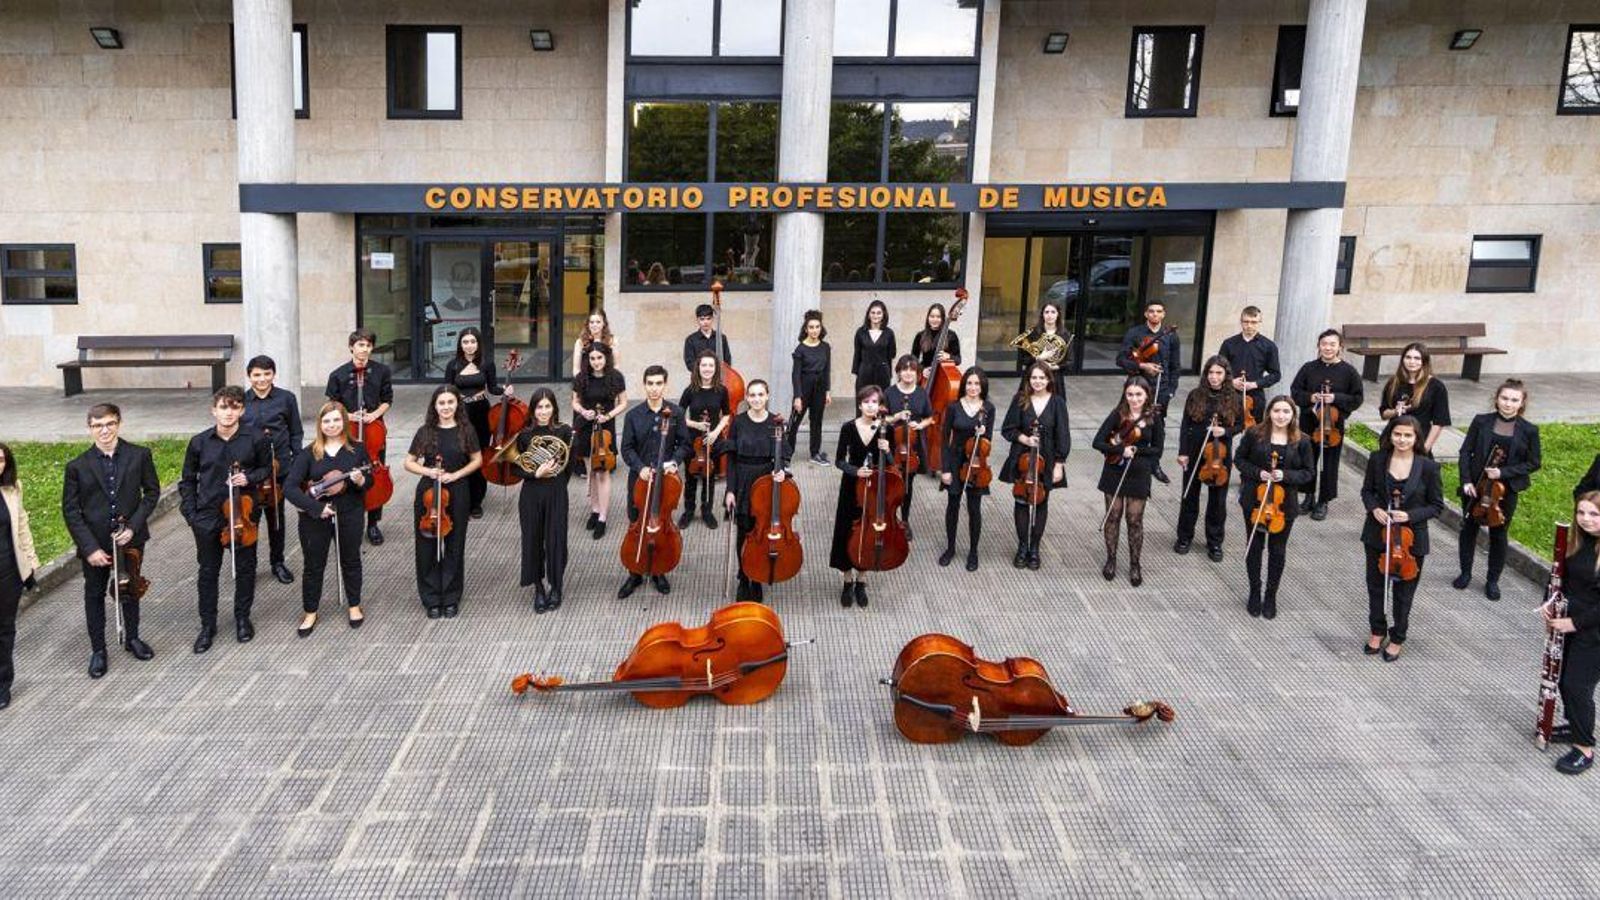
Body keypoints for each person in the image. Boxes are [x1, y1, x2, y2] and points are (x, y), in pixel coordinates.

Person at [62, 403, 160, 678]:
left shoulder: (140, 455)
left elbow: (151, 493)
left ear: (118, 423)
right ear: (90, 428)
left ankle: (132, 638)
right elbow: (71, 511)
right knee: (94, 595)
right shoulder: (77, 466)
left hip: (130, 539)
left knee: (129, 588)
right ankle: (98, 650)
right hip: (95, 543)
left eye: (109, 424)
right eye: (97, 425)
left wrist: (134, 527)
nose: (104, 430)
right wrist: (89, 548)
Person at [179, 386, 273, 652]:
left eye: (234, 407)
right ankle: (207, 625)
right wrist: (191, 515)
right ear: (214, 410)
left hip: (242, 513)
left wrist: (250, 477)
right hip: (207, 515)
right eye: (223, 407)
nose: (228, 412)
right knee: (208, 572)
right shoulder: (199, 442)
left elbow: (266, 468)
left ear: (242, 410)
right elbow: (187, 481)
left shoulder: (256, 438)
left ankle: (242, 617)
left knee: (245, 567)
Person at [1359, 417, 1444, 662]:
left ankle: (1398, 637)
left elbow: (1436, 506)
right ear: (1390, 434)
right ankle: (1377, 631)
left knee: (1404, 592)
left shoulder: (1428, 467)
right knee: (1375, 585)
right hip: (1378, 533)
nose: (1402, 440)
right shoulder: (1377, 459)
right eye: (1397, 434)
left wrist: (1409, 515)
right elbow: (1367, 491)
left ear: (1416, 438)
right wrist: (1374, 508)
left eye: (1408, 436)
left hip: (1412, 539)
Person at [283, 402, 368, 636]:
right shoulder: (309, 453)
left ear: (344, 422)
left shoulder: (357, 449)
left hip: (349, 513)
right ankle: (310, 611)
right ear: (320, 424)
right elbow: (290, 487)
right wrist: (315, 508)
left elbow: (368, 484)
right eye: (327, 421)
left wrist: (361, 481)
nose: (332, 425)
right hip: (315, 517)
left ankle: (354, 605)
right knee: (313, 565)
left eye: (336, 420)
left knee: (351, 560)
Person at [1455, 379, 1541, 601]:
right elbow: (1466, 452)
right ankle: (1465, 573)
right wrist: (1466, 481)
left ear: (1521, 403)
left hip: (1505, 490)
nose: (1508, 404)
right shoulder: (1481, 421)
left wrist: (1503, 473)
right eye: (1504, 398)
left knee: (1499, 533)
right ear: (1496, 398)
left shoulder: (1529, 430)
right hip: (1476, 485)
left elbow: (1533, 463)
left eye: (1514, 400)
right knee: (1469, 528)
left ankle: (1492, 581)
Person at [404, 386, 481, 619]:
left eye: (450, 402)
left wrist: (456, 475)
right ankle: (431, 598)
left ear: (457, 404)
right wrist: (429, 471)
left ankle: (450, 596)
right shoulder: (425, 432)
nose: (446, 407)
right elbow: (409, 463)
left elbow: (477, 460)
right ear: (434, 406)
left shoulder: (466, 431)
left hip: (457, 489)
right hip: (429, 491)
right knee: (426, 545)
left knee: (455, 545)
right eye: (441, 403)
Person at [1234, 396, 1314, 619]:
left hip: (1284, 504)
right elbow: (1239, 460)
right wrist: (1258, 473)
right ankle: (1254, 591)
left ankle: (1270, 595)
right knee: (1254, 546)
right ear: (1269, 412)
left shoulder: (1302, 440)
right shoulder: (1254, 434)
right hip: (1255, 500)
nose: (1281, 416)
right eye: (1277, 411)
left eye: (1286, 412)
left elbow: (1309, 473)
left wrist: (1286, 475)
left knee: (1277, 551)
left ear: (1293, 415)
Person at [617, 364, 689, 599]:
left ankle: (658, 571)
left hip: (665, 483)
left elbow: (686, 445)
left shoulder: (676, 413)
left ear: (665, 385)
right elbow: (626, 448)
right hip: (639, 481)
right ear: (644, 385)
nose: (654, 389)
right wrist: (639, 468)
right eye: (650, 384)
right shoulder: (633, 415)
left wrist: (674, 462)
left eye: (659, 383)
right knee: (636, 523)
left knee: (661, 525)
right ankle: (635, 572)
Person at [1543, 492, 1600, 775]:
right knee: (1564, 682)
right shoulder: (1576, 543)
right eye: (1582, 513)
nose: (1586, 519)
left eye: (1594, 514)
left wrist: (1573, 623)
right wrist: (1548, 605)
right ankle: (1576, 725)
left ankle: (1584, 748)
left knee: (1578, 686)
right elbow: (1558, 578)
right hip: (1568, 622)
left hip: (1593, 632)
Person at [723, 380, 793, 602]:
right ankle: (744, 577)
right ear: (746, 397)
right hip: (742, 479)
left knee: (762, 533)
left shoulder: (776, 422)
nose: (756, 399)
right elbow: (732, 459)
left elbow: (785, 455)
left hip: (766, 481)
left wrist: (782, 471)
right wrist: (730, 490)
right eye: (752, 395)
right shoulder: (739, 422)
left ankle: (757, 576)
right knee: (744, 534)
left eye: (760, 394)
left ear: (767, 396)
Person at [1093, 376, 1165, 586]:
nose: (1134, 399)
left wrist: (1137, 450)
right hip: (1114, 469)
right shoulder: (1118, 414)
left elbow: (1158, 449)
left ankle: (1135, 564)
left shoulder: (1153, 417)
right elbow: (1097, 442)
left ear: (1147, 395)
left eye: (1139, 395)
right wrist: (1119, 449)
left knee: (1134, 520)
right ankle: (1111, 559)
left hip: (1139, 471)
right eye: (1130, 394)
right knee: (1113, 516)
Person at [999, 363, 1071, 570]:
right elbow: (1007, 429)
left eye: (1041, 378)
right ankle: (1022, 546)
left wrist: (1059, 464)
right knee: (1021, 502)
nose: (1037, 382)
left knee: (1041, 503)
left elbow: (1063, 436)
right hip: (1022, 458)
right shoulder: (1020, 400)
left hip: (1046, 460)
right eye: (1033, 378)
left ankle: (1035, 548)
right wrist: (1024, 438)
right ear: (1028, 380)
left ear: (1049, 379)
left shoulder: (1057, 403)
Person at [326, 328, 393, 544]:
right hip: (348, 430)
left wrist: (374, 415)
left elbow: (387, 400)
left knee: (374, 476)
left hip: (374, 430)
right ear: (351, 347)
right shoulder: (338, 374)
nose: (364, 349)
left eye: (368, 345)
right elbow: (332, 405)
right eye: (360, 345)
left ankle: (373, 524)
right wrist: (349, 416)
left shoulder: (381, 371)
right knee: (347, 474)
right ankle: (349, 520)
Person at [831, 386, 895, 608]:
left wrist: (886, 451)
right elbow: (839, 461)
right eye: (866, 402)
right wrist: (855, 471)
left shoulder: (887, 430)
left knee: (868, 532)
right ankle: (847, 581)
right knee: (846, 531)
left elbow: (892, 465)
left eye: (874, 402)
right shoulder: (848, 428)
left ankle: (862, 580)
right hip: (851, 487)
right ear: (859, 405)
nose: (870, 406)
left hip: (875, 489)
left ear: (880, 406)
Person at [1290, 328, 1364, 520]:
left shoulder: (1349, 371)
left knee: (1329, 463)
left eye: (1332, 344)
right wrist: (1311, 396)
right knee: (1307, 459)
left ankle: (1323, 500)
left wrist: (1335, 398)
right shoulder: (1308, 368)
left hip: (1333, 425)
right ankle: (1308, 496)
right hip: (1309, 422)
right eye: (1324, 344)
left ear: (1340, 347)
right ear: (1318, 346)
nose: (1328, 348)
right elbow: (1295, 391)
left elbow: (1357, 398)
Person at [1174, 356, 1243, 561]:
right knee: (1189, 497)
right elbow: (1186, 425)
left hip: (1219, 455)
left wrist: (1226, 431)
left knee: (1217, 502)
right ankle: (1184, 537)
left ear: (1226, 375)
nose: (1214, 377)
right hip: (1195, 450)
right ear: (1206, 374)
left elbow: (1241, 425)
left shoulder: (1234, 398)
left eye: (1218, 373)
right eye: (1211, 373)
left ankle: (1214, 542)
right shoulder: (1195, 395)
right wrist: (1183, 452)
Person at [241, 354, 302, 585]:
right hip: (253, 469)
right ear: (249, 376)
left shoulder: (287, 398)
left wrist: (296, 459)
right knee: (250, 517)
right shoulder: (242, 401)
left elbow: (295, 431)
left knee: (276, 518)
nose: (262, 379)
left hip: (280, 468)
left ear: (273, 375)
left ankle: (277, 562)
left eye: (267, 374)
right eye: (257, 375)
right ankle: (250, 565)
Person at [513, 388, 575, 613]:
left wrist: (554, 478)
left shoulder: (565, 431)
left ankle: (556, 587)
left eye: (548, 406)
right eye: (539, 407)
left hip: (556, 492)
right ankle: (538, 588)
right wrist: (535, 474)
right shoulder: (524, 435)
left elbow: (569, 465)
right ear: (533, 410)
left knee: (556, 540)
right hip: (531, 493)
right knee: (533, 540)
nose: (543, 411)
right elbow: (515, 469)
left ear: (554, 408)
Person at [444, 327, 509, 519]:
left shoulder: (486, 363)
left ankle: (476, 501)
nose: (469, 345)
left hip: (481, 412)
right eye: (465, 342)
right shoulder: (453, 365)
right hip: (460, 413)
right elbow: (446, 390)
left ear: (478, 344)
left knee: (478, 455)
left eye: (473, 342)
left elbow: (493, 387)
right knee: (459, 455)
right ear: (460, 344)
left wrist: (505, 390)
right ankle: (460, 498)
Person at [1116, 301, 1180, 484]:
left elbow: (1175, 366)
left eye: (1159, 311)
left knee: (1158, 428)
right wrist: (1142, 365)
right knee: (1129, 421)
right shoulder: (1134, 333)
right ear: (1145, 314)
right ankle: (1125, 457)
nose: (1155, 315)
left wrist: (1171, 391)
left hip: (1161, 388)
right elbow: (1120, 359)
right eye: (1151, 311)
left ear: (1163, 314)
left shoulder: (1171, 336)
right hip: (1137, 386)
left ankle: (1154, 464)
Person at [939, 367, 995, 572]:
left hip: (976, 464)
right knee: (952, 506)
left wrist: (984, 433)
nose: (973, 387)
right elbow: (945, 440)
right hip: (955, 461)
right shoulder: (954, 407)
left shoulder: (988, 408)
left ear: (983, 386)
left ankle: (973, 551)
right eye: (969, 383)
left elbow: (988, 443)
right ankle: (951, 548)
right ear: (964, 385)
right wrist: (945, 469)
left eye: (977, 384)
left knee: (974, 509)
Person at [0, 442, 41, 708]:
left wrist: (30, 563)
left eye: (1, 460)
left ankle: (3, 684)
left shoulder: (12, 489)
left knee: (5, 631)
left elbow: (22, 526)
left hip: (7, 573)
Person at [572, 343, 627, 539]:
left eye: (600, 358)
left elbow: (624, 403)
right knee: (591, 472)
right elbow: (575, 402)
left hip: (605, 430)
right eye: (593, 359)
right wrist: (582, 411)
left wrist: (609, 415)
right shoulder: (581, 378)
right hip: (587, 428)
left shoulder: (615, 377)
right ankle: (594, 510)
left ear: (606, 358)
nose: (596, 362)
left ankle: (603, 517)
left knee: (603, 473)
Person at [883, 354, 935, 540]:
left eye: (912, 370)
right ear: (898, 372)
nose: (908, 373)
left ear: (918, 373)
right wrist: (896, 417)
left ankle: (904, 521)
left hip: (912, 447)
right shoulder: (889, 393)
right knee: (891, 485)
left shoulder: (921, 393)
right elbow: (882, 418)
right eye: (904, 369)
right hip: (893, 447)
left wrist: (920, 425)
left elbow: (930, 417)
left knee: (908, 486)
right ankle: (890, 519)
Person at [679, 351, 731, 530]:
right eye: (704, 365)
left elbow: (727, 415)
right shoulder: (690, 390)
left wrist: (716, 432)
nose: (707, 369)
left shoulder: (721, 390)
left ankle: (707, 511)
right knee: (691, 477)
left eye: (711, 365)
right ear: (698, 368)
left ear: (715, 369)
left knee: (709, 476)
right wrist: (695, 424)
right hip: (693, 440)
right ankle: (688, 511)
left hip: (712, 441)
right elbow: (678, 416)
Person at [1377, 343, 1450, 456]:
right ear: (1403, 360)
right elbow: (1383, 413)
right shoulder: (1393, 382)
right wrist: (1395, 411)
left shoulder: (1436, 386)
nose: (1412, 362)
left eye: (1417, 358)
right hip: (1393, 441)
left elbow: (1439, 422)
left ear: (1424, 361)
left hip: (1419, 441)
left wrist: (1425, 448)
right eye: (1408, 357)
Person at [1218, 306, 1280, 427]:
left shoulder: (1269, 346)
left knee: (1254, 436)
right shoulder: (1229, 343)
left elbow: (1276, 374)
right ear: (1241, 322)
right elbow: (1218, 369)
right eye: (1246, 322)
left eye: (1253, 322)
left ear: (1259, 322)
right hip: (1229, 395)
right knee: (1226, 432)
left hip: (1255, 398)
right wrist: (1231, 381)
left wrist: (1254, 384)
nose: (1249, 325)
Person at [787, 310, 833, 466]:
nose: (814, 330)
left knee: (817, 422)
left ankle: (815, 453)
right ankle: (786, 456)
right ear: (806, 329)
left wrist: (827, 391)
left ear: (821, 328)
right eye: (811, 327)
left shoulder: (825, 347)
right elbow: (795, 375)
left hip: (820, 388)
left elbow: (827, 370)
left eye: (817, 327)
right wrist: (797, 396)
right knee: (794, 423)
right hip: (804, 387)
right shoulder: (800, 349)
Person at [1024, 300, 1072, 399]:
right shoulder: (1033, 334)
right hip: (1034, 377)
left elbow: (1070, 361)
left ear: (1058, 314)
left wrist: (1056, 367)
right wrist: (1039, 358)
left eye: (1053, 312)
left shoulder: (1065, 335)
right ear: (1042, 315)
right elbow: (1024, 359)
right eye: (1046, 312)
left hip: (1054, 378)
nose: (1050, 315)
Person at [851, 300, 896, 395]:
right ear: (868, 315)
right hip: (864, 372)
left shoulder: (889, 333)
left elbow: (891, 354)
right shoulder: (861, 332)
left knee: (882, 402)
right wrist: (857, 373)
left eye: (879, 313)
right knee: (863, 400)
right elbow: (857, 354)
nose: (876, 316)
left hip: (883, 373)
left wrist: (889, 373)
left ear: (884, 315)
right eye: (873, 313)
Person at [682, 303, 732, 375]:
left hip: (718, 378)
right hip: (698, 379)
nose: (705, 322)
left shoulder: (722, 338)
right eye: (702, 319)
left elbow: (727, 360)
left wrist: (718, 373)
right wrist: (705, 373)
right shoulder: (691, 340)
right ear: (697, 320)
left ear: (712, 319)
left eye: (708, 319)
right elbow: (690, 363)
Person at [913, 303, 961, 377]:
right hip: (926, 376)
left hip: (943, 377)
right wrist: (922, 370)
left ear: (942, 318)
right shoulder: (920, 335)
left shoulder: (951, 335)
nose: (935, 319)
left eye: (938, 317)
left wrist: (949, 357)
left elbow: (958, 359)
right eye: (932, 316)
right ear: (928, 317)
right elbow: (913, 359)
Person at [572, 309, 617, 378]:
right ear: (588, 324)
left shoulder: (611, 341)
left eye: (598, 322)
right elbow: (576, 369)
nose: (594, 325)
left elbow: (616, 366)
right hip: (586, 383)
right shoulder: (580, 342)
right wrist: (580, 383)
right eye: (592, 322)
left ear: (604, 323)